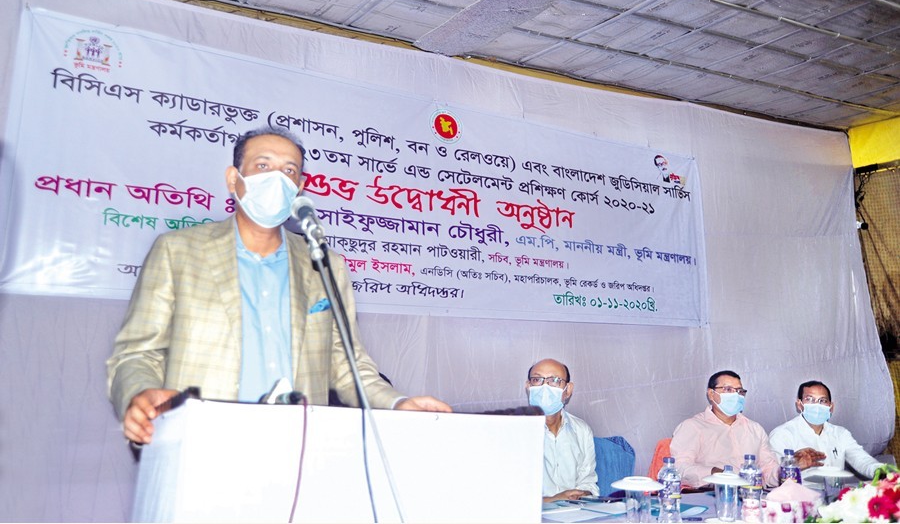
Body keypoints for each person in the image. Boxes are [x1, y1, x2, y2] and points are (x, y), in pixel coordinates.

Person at [107, 127, 450, 445]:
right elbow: (138, 353)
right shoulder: (177, 251)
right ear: (233, 179)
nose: (277, 179)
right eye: (262, 166)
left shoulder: (326, 265)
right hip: (201, 442)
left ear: (299, 187)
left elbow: (348, 366)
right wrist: (140, 392)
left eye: (289, 171)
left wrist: (397, 404)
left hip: (299, 451)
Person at [670, 370, 781, 488]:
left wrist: (787, 470)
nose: (736, 395)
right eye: (728, 389)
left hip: (752, 496)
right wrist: (713, 472)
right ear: (711, 394)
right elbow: (679, 468)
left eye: (740, 391)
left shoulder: (755, 429)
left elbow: (768, 471)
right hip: (711, 495)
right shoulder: (692, 427)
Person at [768, 380, 883, 479]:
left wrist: (882, 472)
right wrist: (792, 464)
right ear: (799, 404)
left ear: (831, 407)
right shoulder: (782, 435)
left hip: (835, 499)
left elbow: (861, 459)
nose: (817, 405)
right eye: (810, 399)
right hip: (797, 500)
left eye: (822, 401)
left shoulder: (840, 434)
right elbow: (771, 475)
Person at [527, 358, 599, 502]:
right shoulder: (515, 432)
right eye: (537, 380)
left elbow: (589, 482)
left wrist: (583, 493)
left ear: (568, 390)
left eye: (554, 380)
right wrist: (555, 499)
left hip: (575, 513)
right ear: (528, 387)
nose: (545, 387)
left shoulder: (582, 430)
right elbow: (508, 496)